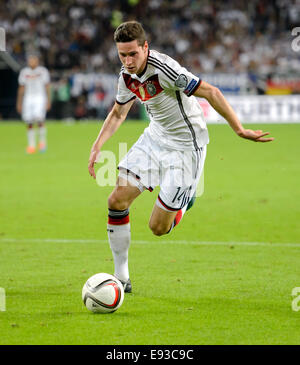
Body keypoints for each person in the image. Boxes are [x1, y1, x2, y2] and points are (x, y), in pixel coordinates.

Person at [88, 21, 274, 293]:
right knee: (116, 200)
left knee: (158, 228)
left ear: (145, 48)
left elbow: (211, 92)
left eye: (132, 54)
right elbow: (118, 112)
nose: (127, 61)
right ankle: (121, 278)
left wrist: (239, 129)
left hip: (187, 147)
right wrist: (97, 145)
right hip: (155, 138)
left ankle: (185, 202)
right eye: (122, 55)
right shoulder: (126, 76)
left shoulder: (166, 69)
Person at [16, 54, 51, 154]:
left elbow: (47, 86)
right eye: (30, 60)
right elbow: (21, 88)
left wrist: (48, 100)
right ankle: (31, 145)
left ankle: (42, 143)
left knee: (40, 119)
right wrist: (19, 103)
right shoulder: (24, 72)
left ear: (37, 61)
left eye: (33, 60)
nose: (31, 62)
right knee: (29, 121)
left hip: (40, 97)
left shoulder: (43, 71)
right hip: (28, 98)